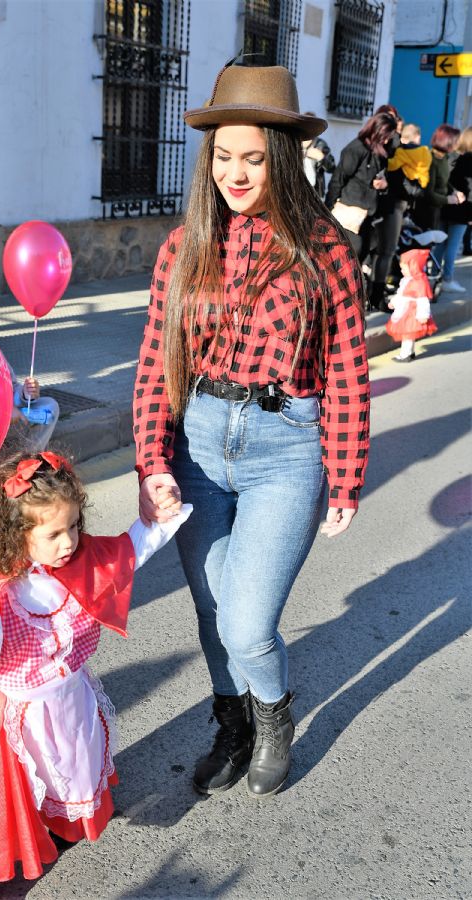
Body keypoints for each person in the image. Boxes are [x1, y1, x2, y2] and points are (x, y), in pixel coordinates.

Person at [133, 62, 370, 798]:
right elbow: (154, 359)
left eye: (255, 157)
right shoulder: (184, 246)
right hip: (198, 442)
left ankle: (274, 717)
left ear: (282, 157)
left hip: (285, 447)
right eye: (225, 156)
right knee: (210, 609)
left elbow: (346, 369)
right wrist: (152, 458)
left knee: (246, 620)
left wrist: (346, 473)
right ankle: (230, 721)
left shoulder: (322, 245)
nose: (237, 173)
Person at [0, 450, 191, 899]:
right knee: (0, 794)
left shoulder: (79, 560)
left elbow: (130, 552)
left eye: (72, 525)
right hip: (13, 713)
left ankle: (62, 820)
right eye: (53, 533)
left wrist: (161, 518)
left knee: (66, 766)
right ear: (17, 533)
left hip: (69, 698)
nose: (68, 541)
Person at [368, 123, 432, 311]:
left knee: (381, 252)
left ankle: (374, 296)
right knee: (386, 252)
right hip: (393, 206)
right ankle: (375, 299)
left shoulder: (397, 153)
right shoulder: (407, 153)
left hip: (390, 205)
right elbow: (404, 184)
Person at [325, 110, 399, 262]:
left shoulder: (380, 150)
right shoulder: (356, 149)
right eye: (385, 137)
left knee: (363, 254)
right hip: (350, 213)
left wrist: (384, 185)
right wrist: (327, 210)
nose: (386, 141)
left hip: (368, 215)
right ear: (377, 132)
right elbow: (337, 180)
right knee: (349, 257)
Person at [0, 315, 60, 453]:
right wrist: (5, 409)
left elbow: (12, 386)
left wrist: (25, 393)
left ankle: (27, 462)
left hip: (8, 417)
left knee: (50, 406)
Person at [433, 126, 472, 293]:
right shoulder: (469, 160)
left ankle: (434, 275)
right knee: (452, 246)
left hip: (445, 205)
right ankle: (447, 279)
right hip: (462, 209)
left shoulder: (450, 157)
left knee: (440, 244)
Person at [413, 124, 463, 240]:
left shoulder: (444, 158)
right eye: (455, 141)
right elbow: (428, 193)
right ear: (447, 141)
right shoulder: (431, 160)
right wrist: (448, 199)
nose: (457, 144)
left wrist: (454, 191)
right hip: (426, 211)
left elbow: (443, 180)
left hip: (437, 209)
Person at [386, 249, 437, 361]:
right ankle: (410, 352)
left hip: (411, 313)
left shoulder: (420, 282)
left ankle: (405, 354)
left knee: (407, 335)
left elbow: (423, 300)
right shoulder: (406, 280)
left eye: (404, 268)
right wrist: (393, 302)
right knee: (408, 335)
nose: (402, 270)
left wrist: (423, 314)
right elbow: (400, 293)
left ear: (414, 266)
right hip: (404, 311)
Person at [302, 112, 335, 198]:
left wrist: (321, 158)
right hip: (297, 190)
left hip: (315, 192)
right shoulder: (294, 143)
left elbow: (332, 168)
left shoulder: (320, 144)